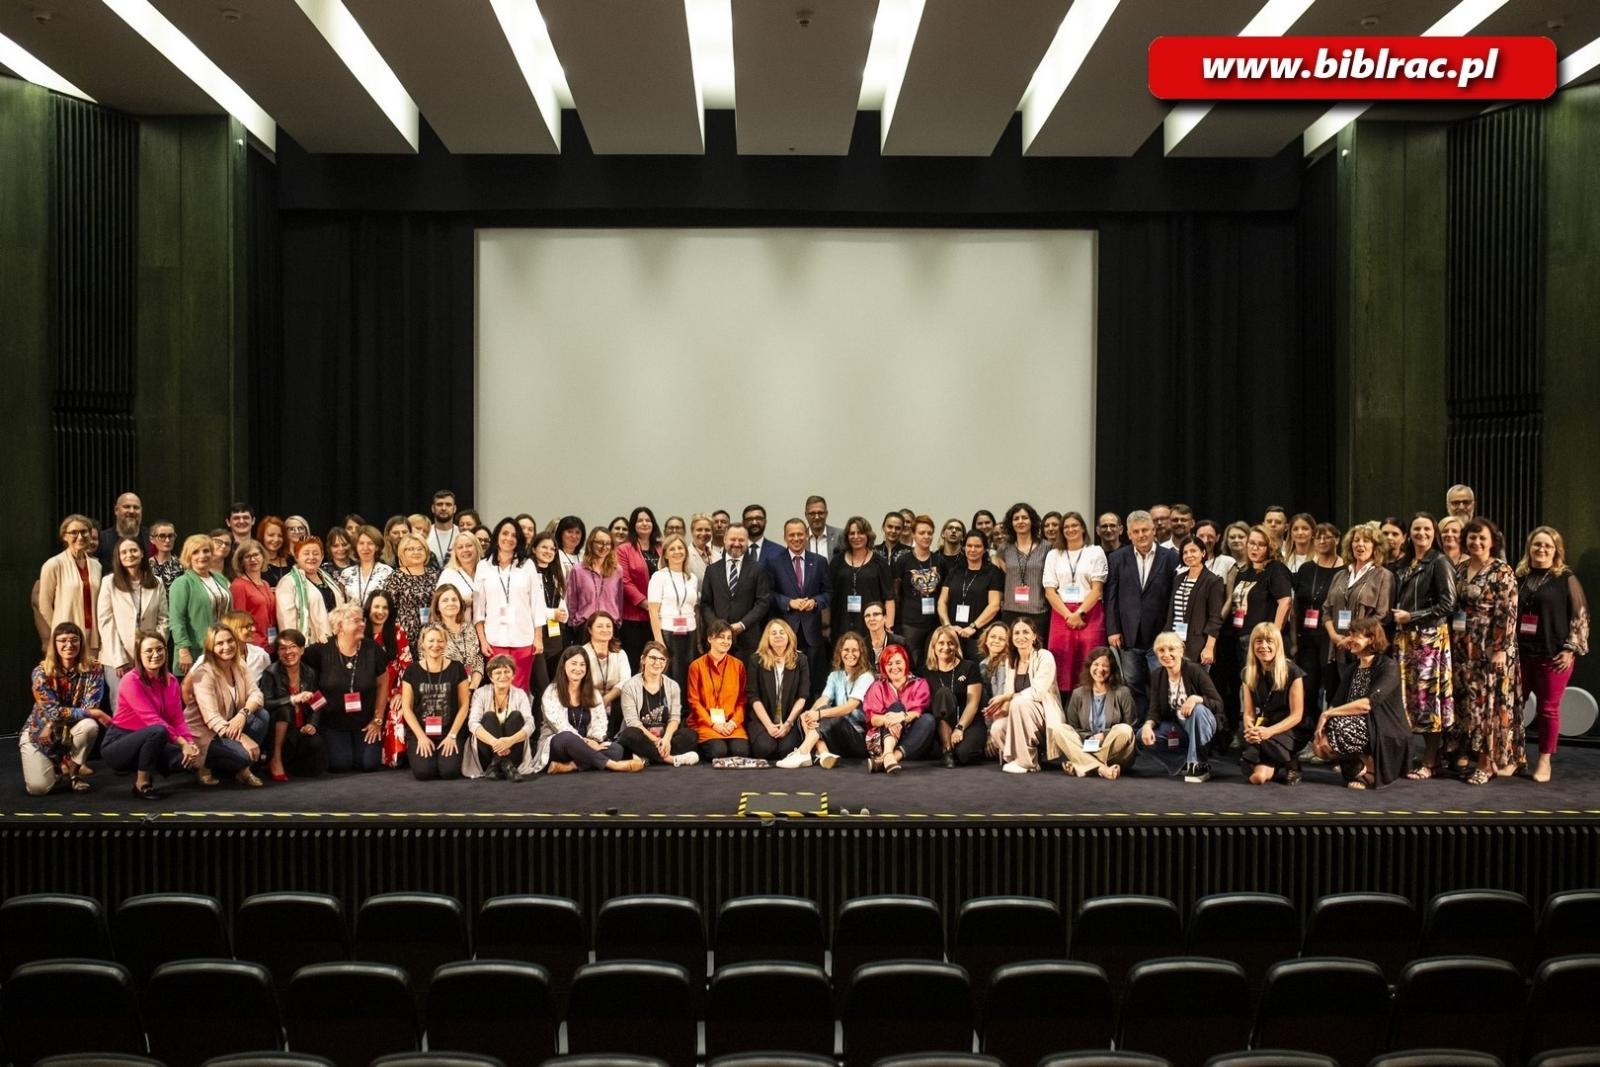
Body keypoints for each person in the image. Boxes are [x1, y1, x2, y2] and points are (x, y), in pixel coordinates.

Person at [1449, 517, 1522, 784]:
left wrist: (1500, 650)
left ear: (1493, 542)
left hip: (1489, 648)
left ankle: (1487, 762)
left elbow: (1508, 613)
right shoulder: (1460, 568)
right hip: (1461, 646)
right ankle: (1465, 755)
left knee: (1488, 706)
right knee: (1468, 706)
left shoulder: (1502, 571)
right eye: (1472, 537)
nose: (1476, 542)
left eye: (1482, 538)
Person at [1515, 526, 1588, 783]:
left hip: (1553, 655)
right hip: (1521, 654)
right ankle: (1515, 756)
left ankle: (1544, 760)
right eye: (1537, 545)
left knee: (1548, 710)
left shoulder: (1566, 578)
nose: (1541, 549)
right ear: (1529, 548)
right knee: (1513, 708)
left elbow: (1580, 617)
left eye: (1547, 545)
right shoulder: (1520, 575)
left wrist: (1570, 649)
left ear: (1556, 550)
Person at [1392, 512, 1457, 780]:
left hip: (1429, 638)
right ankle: (1411, 756)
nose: (1422, 534)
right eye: (1417, 529)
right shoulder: (1404, 562)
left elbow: (1449, 604)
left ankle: (1431, 760)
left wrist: (1413, 616)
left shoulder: (1439, 561)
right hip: (1405, 639)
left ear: (1435, 534)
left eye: (1427, 529)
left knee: (1428, 700)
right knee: (1407, 700)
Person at [1312, 618, 1408, 789]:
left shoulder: (1388, 666)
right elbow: (1337, 702)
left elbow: (1368, 704)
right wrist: (1322, 724)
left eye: (1355, 635)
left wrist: (1327, 714)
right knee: (1320, 747)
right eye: (1349, 635)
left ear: (1371, 639)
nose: (1349, 639)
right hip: (1354, 722)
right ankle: (1357, 765)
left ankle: (1370, 770)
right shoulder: (1352, 669)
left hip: (1381, 724)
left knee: (1339, 728)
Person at [103, 633, 198, 798]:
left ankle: (149, 763)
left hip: (152, 738)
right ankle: (142, 783)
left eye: (160, 649)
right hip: (119, 742)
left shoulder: (172, 681)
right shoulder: (130, 680)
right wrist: (182, 743)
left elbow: (178, 719)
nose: (155, 654)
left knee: (183, 760)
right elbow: (152, 720)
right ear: (139, 655)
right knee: (158, 730)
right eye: (149, 651)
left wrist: (189, 743)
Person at [1104, 510, 1179, 718]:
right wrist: (1113, 629)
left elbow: (1174, 597)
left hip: (1160, 634)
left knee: (1161, 682)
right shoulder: (1118, 558)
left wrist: (1171, 630)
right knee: (1133, 683)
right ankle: (1140, 727)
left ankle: (1161, 724)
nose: (1141, 535)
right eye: (1136, 531)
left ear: (1154, 530)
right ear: (1128, 534)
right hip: (1128, 635)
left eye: (1145, 530)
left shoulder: (1171, 557)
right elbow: (1111, 597)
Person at [21, 622, 108, 795]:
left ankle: (74, 774)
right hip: (40, 734)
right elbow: (53, 711)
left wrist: (53, 723)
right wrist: (93, 713)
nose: (69, 645)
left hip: (68, 728)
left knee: (90, 726)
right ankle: (57, 768)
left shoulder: (94, 668)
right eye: (63, 640)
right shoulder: (40, 672)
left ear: (81, 643)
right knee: (38, 789)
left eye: (74, 640)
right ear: (54, 644)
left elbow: (91, 705)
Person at [303, 603, 390, 773]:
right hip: (332, 723)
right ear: (340, 626)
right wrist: (314, 708)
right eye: (356, 621)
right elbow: (301, 670)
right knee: (340, 765)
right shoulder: (320, 650)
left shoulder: (373, 649)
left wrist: (377, 720)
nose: (362, 624)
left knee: (369, 764)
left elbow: (383, 684)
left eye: (362, 620)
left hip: (365, 723)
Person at [536, 646, 645, 775]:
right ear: (563, 665)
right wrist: (586, 742)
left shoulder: (592, 693)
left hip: (587, 744)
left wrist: (595, 739)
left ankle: (571, 766)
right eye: (574, 663)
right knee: (567, 738)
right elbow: (560, 726)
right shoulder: (552, 692)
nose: (578, 668)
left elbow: (600, 721)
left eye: (582, 665)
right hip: (559, 744)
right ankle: (614, 765)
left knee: (616, 749)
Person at [183, 623, 268, 788]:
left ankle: (242, 771)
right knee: (244, 755)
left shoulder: (239, 664)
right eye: (219, 643)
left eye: (230, 641)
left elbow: (257, 695)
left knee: (262, 716)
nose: (226, 646)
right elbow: (212, 719)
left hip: (228, 726)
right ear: (210, 648)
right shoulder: (203, 673)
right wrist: (244, 739)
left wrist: (242, 714)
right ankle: (203, 766)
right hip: (205, 734)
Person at [473, 517, 546, 692]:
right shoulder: (484, 566)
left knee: (520, 689)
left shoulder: (527, 565)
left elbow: (537, 603)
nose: (509, 538)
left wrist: (538, 637)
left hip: (524, 639)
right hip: (494, 639)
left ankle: (518, 719)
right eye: (505, 533)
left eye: (514, 535)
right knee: (498, 687)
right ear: (497, 536)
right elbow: (478, 608)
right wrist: (482, 641)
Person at [1140, 631, 1224, 782]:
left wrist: (1196, 699)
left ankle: (1199, 764)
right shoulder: (1157, 675)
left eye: (1171, 649)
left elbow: (1218, 704)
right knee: (1141, 735)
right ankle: (1183, 762)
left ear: (1181, 650)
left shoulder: (1195, 670)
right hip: (1179, 730)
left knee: (1197, 710)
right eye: (1161, 650)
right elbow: (1155, 710)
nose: (1166, 654)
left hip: (1204, 729)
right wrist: (1148, 725)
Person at [981, 616, 1060, 775]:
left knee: (1019, 702)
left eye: (1026, 632)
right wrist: (999, 710)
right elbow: (1010, 699)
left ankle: (1027, 762)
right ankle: (1017, 759)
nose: (1021, 636)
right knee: (997, 728)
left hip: (1043, 717)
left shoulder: (1044, 656)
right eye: (1016, 633)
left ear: (1034, 636)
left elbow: (1037, 693)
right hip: (1020, 714)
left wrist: (1008, 696)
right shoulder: (1012, 661)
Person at [97, 536, 169, 710]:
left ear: (142, 553)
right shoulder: (109, 583)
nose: (129, 554)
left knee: (150, 704)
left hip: (149, 656)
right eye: (124, 552)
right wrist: (119, 658)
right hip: (118, 656)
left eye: (133, 550)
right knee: (123, 706)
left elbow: (164, 619)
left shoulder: (156, 582)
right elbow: (106, 622)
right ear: (118, 557)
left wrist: (154, 649)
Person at [1044, 511, 1109, 690]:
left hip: (1090, 611)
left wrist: (1079, 613)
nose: (1070, 529)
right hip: (1061, 612)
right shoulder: (1054, 554)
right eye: (1066, 527)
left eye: (1074, 525)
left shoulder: (1094, 551)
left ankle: (1090, 701)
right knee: (1062, 661)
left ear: (1082, 528)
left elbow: (1097, 589)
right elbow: (1050, 591)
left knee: (1090, 659)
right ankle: (1064, 707)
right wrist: (1068, 615)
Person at [398, 624, 471, 781]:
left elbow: (464, 705)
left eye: (440, 641)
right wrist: (420, 736)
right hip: (421, 731)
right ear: (422, 643)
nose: (435, 645)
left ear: (445, 643)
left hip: (450, 730)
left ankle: (442, 757)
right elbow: (407, 708)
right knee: (424, 773)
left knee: (449, 772)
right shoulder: (412, 670)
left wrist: (452, 735)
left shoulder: (457, 668)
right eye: (431, 641)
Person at [1239, 623, 1308, 785]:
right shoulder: (1247, 673)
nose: (1264, 646)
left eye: (1269, 641)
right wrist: (1251, 729)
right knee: (1257, 778)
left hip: (1291, 727)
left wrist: (1268, 732)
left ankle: (1292, 763)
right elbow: (1248, 713)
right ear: (1252, 645)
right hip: (1264, 726)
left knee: (1262, 743)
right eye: (1259, 641)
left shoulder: (1293, 671)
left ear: (1278, 644)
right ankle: (1282, 764)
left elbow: (1297, 715)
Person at [1323, 523, 1395, 677]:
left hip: (1365, 650)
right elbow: (1326, 611)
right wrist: (1334, 636)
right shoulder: (1340, 575)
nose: (1360, 544)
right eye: (1356, 540)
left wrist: (1353, 637)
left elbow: (1382, 615)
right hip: (1339, 649)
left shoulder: (1384, 575)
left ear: (1376, 547)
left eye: (1366, 540)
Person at [616, 642, 701, 767]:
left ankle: (647, 757)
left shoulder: (673, 686)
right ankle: (670, 759)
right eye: (653, 658)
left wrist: (666, 739)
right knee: (630, 735)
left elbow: (674, 718)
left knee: (691, 735)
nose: (658, 662)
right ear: (643, 659)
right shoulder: (629, 686)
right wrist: (656, 741)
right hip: (642, 737)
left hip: (664, 736)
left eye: (662, 659)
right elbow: (633, 722)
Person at [770, 518, 831, 683]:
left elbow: (828, 592)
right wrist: (788, 603)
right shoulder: (774, 562)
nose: (796, 538)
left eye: (800, 534)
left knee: (811, 680)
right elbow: (768, 594)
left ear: (806, 536)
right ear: (784, 537)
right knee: (788, 679)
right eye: (792, 535)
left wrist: (815, 602)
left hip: (812, 631)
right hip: (786, 631)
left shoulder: (819, 562)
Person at [1061, 647, 1138, 778]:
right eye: (1096, 664)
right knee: (1060, 729)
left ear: (1112, 669)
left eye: (1105, 665)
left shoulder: (1122, 692)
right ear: (1089, 666)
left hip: (1116, 753)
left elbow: (1131, 727)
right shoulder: (1078, 693)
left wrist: (1104, 735)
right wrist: (1088, 738)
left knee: (1124, 729)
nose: (1100, 669)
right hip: (1087, 746)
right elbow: (1073, 728)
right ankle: (1101, 769)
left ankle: (1084, 764)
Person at [261, 628, 327, 781]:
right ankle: (275, 758)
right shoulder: (270, 673)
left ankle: (289, 764)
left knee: (316, 753)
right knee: (285, 710)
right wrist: (292, 699)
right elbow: (265, 704)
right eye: (282, 648)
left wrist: (312, 724)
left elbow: (317, 702)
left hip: (300, 729)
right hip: (277, 730)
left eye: (292, 647)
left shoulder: (310, 673)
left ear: (302, 650)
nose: (288, 652)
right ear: (277, 653)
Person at [742, 619, 809, 765]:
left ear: (789, 636)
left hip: (788, 718)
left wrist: (789, 723)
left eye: (781, 632)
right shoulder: (756, 660)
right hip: (763, 719)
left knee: (786, 749)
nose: (778, 636)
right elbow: (753, 696)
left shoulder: (801, 660)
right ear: (768, 638)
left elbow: (803, 696)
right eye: (773, 633)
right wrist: (768, 725)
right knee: (765, 748)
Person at [699, 525, 772, 657]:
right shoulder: (712, 570)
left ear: (747, 541)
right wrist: (718, 627)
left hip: (748, 640)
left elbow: (763, 603)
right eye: (733, 539)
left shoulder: (758, 569)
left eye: (741, 540)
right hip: (717, 640)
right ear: (725, 540)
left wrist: (742, 624)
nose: (737, 543)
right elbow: (705, 604)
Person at [36, 514, 103, 657]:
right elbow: (44, 604)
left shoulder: (96, 565)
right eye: (74, 532)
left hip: (93, 636)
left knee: (90, 677)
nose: (80, 537)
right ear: (64, 536)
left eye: (84, 532)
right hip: (67, 639)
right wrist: (60, 629)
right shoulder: (54, 564)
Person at [1292, 522, 1343, 709]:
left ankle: (1330, 731)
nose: (1322, 541)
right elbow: (1296, 605)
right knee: (1308, 684)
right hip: (1306, 635)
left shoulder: (1345, 569)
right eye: (1318, 537)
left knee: (1331, 683)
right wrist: (1294, 640)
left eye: (1327, 537)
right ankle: (1308, 731)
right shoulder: (1306, 569)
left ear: (1337, 539)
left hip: (1331, 635)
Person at [860, 643, 931, 773]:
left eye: (898, 662)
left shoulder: (920, 684)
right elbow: (873, 719)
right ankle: (887, 753)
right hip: (881, 739)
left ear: (906, 663)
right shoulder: (877, 686)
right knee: (896, 706)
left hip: (911, 740)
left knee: (928, 720)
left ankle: (888, 759)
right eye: (889, 664)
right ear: (884, 667)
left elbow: (917, 712)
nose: (894, 667)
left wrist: (901, 717)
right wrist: (890, 719)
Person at [687, 619, 750, 761]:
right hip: (707, 723)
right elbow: (694, 701)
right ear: (710, 638)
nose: (726, 641)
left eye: (729, 638)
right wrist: (714, 724)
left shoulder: (738, 665)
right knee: (718, 751)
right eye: (721, 637)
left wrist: (733, 723)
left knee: (741, 751)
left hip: (732, 724)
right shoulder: (696, 666)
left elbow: (742, 700)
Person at [922, 625, 985, 768]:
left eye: (951, 643)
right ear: (933, 646)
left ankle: (949, 752)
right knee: (943, 693)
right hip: (940, 725)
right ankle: (947, 749)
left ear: (956, 646)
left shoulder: (969, 667)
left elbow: (972, 703)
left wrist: (960, 727)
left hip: (967, 722)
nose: (946, 647)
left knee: (964, 754)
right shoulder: (925, 671)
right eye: (941, 643)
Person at [169, 534, 232, 675]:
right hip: (195, 653)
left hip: (223, 650)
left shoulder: (220, 578)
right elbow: (176, 620)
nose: (202, 556)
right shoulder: (182, 583)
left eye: (206, 551)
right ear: (188, 556)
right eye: (195, 552)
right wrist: (183, 651)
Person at [466, 655, 537, 780]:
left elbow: (530, 725)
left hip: (513, 750)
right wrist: (495, 743)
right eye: (498, 672)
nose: (503, 676)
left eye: (507, 671)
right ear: (491, 677)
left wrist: (510, 741)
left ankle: (497, 765)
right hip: (487, 753)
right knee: (489, 717)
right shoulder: (480, 693)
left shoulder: (520, 694)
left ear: (513, 675)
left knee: (516, 716)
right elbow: (473, 724)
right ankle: (505, 765)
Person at [1228, 526, 1293, 660]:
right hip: (1242, 637)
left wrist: (1273, 635)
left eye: (1261, 545)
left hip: (1264, 640)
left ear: (1270, 547)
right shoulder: (1244, 571)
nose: (1255, 548)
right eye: (1251, 543)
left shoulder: (1275, 569)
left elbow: (1285, 602)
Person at [365, 590, 412, 769]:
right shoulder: (361, 632)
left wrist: (401, 692)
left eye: (385, 607)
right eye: (376, 606)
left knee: (397, 710)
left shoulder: (397, 631)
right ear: (368, 608)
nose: (380, 611)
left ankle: (395, 757)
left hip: (393, 690)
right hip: (368, 691)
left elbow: (407, 665)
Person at [938, 532, 1003, 660]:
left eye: (977, 546)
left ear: (985, 549)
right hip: (953, 635)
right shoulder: (955, 571)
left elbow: (994, 605)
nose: (972, 550)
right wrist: (947, 626)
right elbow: (942, 601)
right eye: (969, 545)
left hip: (979, 636)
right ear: (964, 547)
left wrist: (973, 627)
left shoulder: (993, 572)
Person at [647, 534, 700, 687]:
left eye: (680, 548)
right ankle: (672, 709)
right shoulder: (659, 576)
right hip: (668, 632)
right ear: (665, 554)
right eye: (672, 549)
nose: (677, 552)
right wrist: (659, 640)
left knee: (688, 674)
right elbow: (653, 611)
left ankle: (685, 710)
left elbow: (693, 608)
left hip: (690, 631)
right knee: (671, 674)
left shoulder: (692, 578)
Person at [276, 536, 348, 645]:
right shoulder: (288, 582)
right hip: (310, 645)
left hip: (337, 640)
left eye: (315, 553)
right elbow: (287, 622)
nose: (311, 557)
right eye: (306, 553)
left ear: (322, 556)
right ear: (296, 557)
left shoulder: (327, 578)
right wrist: (292, 645)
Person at [832, 516, 893, 641]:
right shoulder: (837, 562)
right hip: (841, 624)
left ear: (868, 535)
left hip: (872, 625)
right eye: (852, 533)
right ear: (846, 537)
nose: (856, 537)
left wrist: (889, 625)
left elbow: (889, 598)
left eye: (860, 533)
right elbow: (829, 594)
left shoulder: (880, 563)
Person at [1167, 536, 1225, 668]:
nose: (1189, 555)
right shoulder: (1178, 579)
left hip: (1198, 646)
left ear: (1203, 553)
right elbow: (1172, 612)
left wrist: (1209, 648)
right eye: (1185, 552)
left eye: (1193, 551)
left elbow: (1215, 618)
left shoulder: (1213, 581)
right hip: (1174, 643)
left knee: (1196, 687)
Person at [997, 503, 1051, 642]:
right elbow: (1003, 574)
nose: (1020, 521)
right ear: (1011, 523)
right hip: (1010, 610)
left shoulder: (1046, 547)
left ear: (1032, 520)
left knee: (1036, 652)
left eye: (1024, 518)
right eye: (1016, 518)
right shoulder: (1004, 549)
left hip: (1037, 611)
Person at [615, 506, 662, 667]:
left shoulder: (661, 548)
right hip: (633, 618)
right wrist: (646, 604)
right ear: (633, 525)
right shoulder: (623, 549)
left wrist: (657, 609)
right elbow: (625, 581)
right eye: (640, 520)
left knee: (655, 661)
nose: (644, 523)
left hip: (659, 617)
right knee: (635, 662)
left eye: (648, 520)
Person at [892, 516, 944, 661]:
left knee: (932, 660)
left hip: (934, 622)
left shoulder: (939, 560)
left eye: (929, 533)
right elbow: (896, 593)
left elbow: (944, 593)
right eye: (922, 533)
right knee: (910, 660)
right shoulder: (903, 560)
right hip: (910, 622)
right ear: (913, 534)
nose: (926, 536)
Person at [566, 527, 624, 636]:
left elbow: (619, 600)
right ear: (591, 543)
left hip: (610, 626)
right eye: (600, 543)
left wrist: (618, 621)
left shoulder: (617, 570)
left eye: (608, 544)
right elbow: (572, 601)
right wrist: (573, 623)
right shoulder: (578, 570)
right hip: (585, 627)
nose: (604, 547)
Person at [582, 612, 631, 738]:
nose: (605, 630)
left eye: (608, 626)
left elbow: (626, 681)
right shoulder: (582, 653)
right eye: (600, 626)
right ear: (590, 630)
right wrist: (599, 701)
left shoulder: (620, 653)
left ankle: (618, 739)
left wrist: (607, 698)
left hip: (614, 700)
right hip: (589, 699)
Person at [529, 532, 569, 683]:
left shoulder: (557, 572)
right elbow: (528, 606)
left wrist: (563, 613)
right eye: (544, 547)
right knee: (541, 683)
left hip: (555, 633)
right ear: (533, 549)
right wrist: (552, 614)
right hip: (536, 633)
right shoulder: (527, 572)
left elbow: (560, 600)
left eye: (553, 549)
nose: (549, 552)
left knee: (554, 682)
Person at [229, 539, 278, 658]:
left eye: (256, 554)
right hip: (252, 647)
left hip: (271, 644)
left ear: (263, 557)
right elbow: (238, 623)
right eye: (247, 556)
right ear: (241, 562)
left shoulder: (265, 584)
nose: (253, 559)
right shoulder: (238, 585)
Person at [430, 584, 484, 691]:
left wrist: (472, 688)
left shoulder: (469, 628)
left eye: (454, 599)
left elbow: (478, 660)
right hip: (444, 692)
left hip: (472, 689)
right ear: (437, 606)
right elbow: (429, 668)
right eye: (445, 600)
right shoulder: (430, 633)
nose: (450, 603)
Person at [341, 525, 394, 606]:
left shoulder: (387, 572)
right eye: (361, 543)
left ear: (377, 547)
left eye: (370, 543)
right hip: (353, 618)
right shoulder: (346, 574)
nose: (365, 548)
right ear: (356, 546)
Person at [95, 492, 146, 573]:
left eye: (136, 507)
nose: (132, 511)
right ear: (116, 510)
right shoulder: (101, 539)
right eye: (127, 507)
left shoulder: (152, 538)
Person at [436, 528, 482, 613]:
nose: (465, 550)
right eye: (460, 547)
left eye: (469, 545)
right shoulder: (448, 574)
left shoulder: (486, 570)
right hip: (459, 624)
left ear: (477, 548)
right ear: (455, 552)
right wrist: (462, 603)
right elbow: (439, 603)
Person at [860, 602, 906, 671]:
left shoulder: (899, 642)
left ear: (885, 618)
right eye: (867, 616)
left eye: (876, 614)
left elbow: (910, 670)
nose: (871, 619)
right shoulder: (861, 645)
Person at [256, 517, 292, 588]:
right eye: (271, 535)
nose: (276, 539)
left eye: (280, 536)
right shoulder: (255, 561)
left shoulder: (290, 560)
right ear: (262, 536)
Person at [428, 489, 461, 567]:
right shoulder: (425, 533)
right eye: (439, 504)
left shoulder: (461, 533)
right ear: (433, 508)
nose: (443, 508)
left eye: (448, 504)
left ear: (454, 509)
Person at [804, 495, 842, 561]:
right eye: (812, 513)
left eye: (820, 513)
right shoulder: (800, 538)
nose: (817, 517)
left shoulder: (840, 535)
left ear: (826, 514)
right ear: (806, 515)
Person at [149, 520, 183, 589]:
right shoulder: (146, 566)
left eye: (171, 536)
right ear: (152, 539)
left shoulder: (183, 565)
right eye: (162, 536)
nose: (167, 540)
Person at [688, 513, 718, 581]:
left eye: (707, 530)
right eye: (699, 530)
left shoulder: (718, 557)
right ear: (692, 531)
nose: (703, 533)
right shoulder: (685, 556)